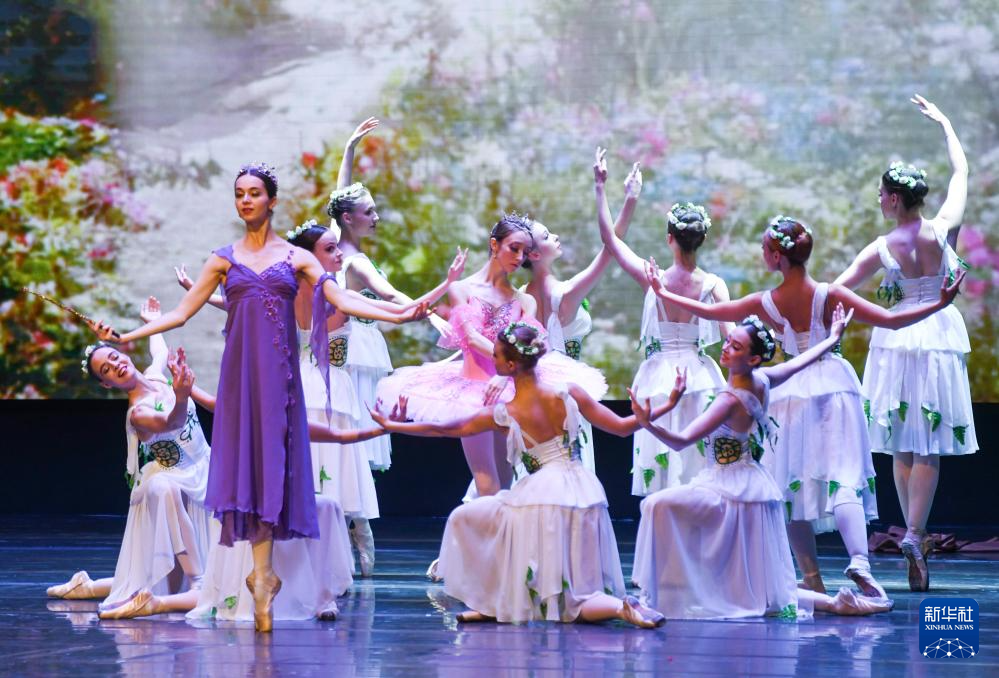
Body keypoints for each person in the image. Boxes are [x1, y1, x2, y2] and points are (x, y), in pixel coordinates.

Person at [90, 162, 428, 632]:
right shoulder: (223, 259)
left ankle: (264, 575)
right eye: (240, 193)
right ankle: (261, 574)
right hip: (241, 379)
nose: (246, 200)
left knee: (275, 469)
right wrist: (126, 335)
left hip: (280, 380)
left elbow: (344, 301)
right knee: (248, 472)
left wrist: (401, 314)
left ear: (272, 200)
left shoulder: (296, 258)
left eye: (254, 193)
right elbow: (181, 314)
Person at [643, 213, 964, 598]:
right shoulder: (831, 295)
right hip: (834, 386)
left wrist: (664, 294)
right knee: (843, 477)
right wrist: (939, 304)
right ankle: (859, 561)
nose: (763, 254)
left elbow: (711, 312)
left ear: (778, 257)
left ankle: (811, 575)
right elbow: (890, 321)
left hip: (793, 389)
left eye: (766, 249)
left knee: (790, 484)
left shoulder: (768, 302)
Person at [371, 322, 681, 627]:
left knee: (466, 519)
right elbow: (623, 427)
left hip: (541, 496)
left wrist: (394, 426)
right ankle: (514, 604)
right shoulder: (568, 392)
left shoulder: (506, 412)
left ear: (510, 365)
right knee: (570, 588)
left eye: (495, 355)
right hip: (584, 493)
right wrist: (665, 407)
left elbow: (446, 428)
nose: (491, 360)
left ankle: (616, 608)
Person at [630, 309, 894, 619]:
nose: (726, 348)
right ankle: (835, 603)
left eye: (736, 346)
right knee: (758, 589)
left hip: (728, 491)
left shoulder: (730, 400)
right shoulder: (762, 380)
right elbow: (800, 362)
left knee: (656, 505)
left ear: (753, 359)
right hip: (751, 488)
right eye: (728, 341)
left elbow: (680, 441)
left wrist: (646, 422)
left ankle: (661, 595)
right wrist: (832, 338)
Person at [834, 95, 978, 591]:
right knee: (925, 445)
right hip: (936, 334)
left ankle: (912, 533)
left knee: (901, 440)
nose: (879, 200)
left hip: (897, 337)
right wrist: (946, 124)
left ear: (896, 199)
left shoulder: (882, 248)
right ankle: (915, 533)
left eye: (882, 194)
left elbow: (838, 288)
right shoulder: (941, 229)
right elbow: (961, 173)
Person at [375, 214, 607, 499]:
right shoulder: (462, 289)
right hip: (473, 394)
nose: (519, 257)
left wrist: (508, 373)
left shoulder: (525, 301)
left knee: (508, 482)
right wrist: (507, 364)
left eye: (524, 251)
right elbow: (472, 338)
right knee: (486, 483)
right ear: (494, 245)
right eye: (514, 248)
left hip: (509, 392)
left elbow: (533, 347)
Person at [286, 216, 466, 576]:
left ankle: (335, 550)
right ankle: (342, 547)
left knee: (319, 472)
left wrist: (442, 288)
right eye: (330, 249)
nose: (340, 253)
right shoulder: (334, 296)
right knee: (331, 472)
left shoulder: (289, 296)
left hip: (303, 389)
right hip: (328, 389)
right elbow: (400, 314)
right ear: (309, 258)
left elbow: (400, 312)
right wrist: (445, 286)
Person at [49, 298, 210, 620]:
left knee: (160, 578)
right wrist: (181, 397)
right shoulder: (138, 413)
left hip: (205, 470)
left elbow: (159, 352)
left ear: (123, 353)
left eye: (114, 357)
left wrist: (152, 321)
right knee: (168, 576)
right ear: (106, 383)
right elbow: (172, 422)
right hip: (179, 482)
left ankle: (87, 587)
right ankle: (200, 583)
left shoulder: (156, 377)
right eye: (106, 370)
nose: (115, 365)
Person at [595, 174, 731, 496]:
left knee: (665, 466)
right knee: (699, 465)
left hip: (659, 378)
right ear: (702, 239)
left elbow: (610, 240)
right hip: (700, 378)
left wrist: (611, 190)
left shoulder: (653, 277)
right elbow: (732, 338)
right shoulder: (714, 285)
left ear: (670, 238)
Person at [520, 148, 641, 472]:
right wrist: (619, 195)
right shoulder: (565, 294)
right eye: (547, 236)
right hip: (564, 395)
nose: (556, 236)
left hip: (531, 396)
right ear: (533, 254)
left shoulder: (518, 297)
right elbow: (611, 247)